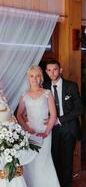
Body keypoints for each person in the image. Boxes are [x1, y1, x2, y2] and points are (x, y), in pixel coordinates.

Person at [17, 65, 60, 187]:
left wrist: (46, 132)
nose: (34, 79)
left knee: (43, 159)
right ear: (28, 78)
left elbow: (53, 115)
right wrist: (27, 129)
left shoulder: (47, 93)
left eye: (37, 76)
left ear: (41, 78)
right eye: (32, 76)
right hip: (30, 132)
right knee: (31, 160)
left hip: (44, 131)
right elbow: (19, 115)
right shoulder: (24, 95)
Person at [45, 59, 83, 187]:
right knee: (54, 157)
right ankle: (56, 183)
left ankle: (66, 184)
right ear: (46, 72)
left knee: (67, 159)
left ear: (60, 70)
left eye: (55, 69)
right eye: (49, 70)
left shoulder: (71, 86)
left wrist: (60, 120)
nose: (52, 73)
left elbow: (80, 108)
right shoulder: (44, 87)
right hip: (52, 128)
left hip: (68, 127)